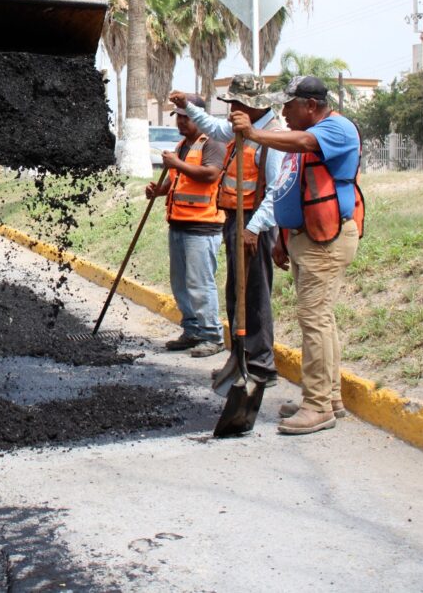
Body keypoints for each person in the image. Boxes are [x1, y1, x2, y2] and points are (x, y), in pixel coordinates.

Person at [231, 75, 362, 436]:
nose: (283, 112)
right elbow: (291, 188)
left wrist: (255, 134)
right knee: (322, 320)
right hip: (306, 236)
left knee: (315, 321)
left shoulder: (337, 129)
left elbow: (304, 142)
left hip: (326, 240)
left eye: (288, 105)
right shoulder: (300, 139)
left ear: (310, 105)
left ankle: (318, 406)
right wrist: (282, 238)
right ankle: (329, 396)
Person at [169, 75, 283, 386]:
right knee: (236, 295)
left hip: (254, 227)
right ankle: (239, 359)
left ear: (253, 105)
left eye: (234, 102)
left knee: (255, 296)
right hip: (236, 221)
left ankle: (261, 365)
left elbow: (275, 191)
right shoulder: (240, 129)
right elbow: (214, 128)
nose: (230, 108)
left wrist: (253, 228)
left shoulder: (271, 137)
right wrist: (188, 108)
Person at [145, 94, 227, 357]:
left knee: (200, 283)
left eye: (185, 117)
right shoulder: (182, 146)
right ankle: (191, 330)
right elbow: (177, 179)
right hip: (179, 223)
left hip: (202, 227)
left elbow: (211, 175)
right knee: (180, 283)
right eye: (178, 117)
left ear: (198, 116)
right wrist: (158, 191)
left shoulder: (212, 143)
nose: (180, 122)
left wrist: (176, 163)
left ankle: (212, 335)